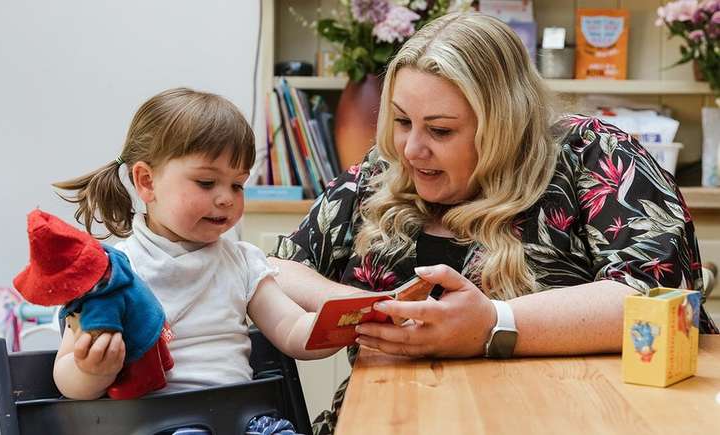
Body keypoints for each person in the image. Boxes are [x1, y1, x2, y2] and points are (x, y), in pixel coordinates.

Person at [268, 12, 718, 434]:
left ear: (505, 123)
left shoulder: (595, 156)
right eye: (403, 121)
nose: (411, 149)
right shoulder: (380, 175)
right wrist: (356, 302)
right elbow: (274, 269)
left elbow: (658, 300)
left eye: (441, 130)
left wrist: (493, 324)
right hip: (391, 418)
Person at [51, 88, 339, 413]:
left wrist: (344, 324)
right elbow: (65, 376)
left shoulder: (243, 262)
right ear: (146, 182)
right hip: (160, 424)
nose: (226, 198)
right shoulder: (115, 273)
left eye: (237, 185)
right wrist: (92, 371)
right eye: (206, 183)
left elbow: (290, 328)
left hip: (244, 421)